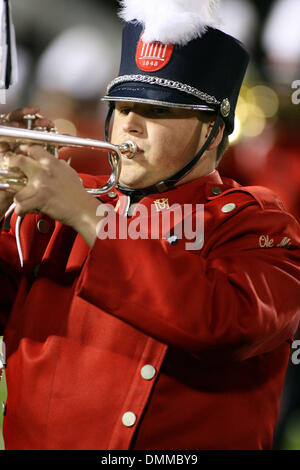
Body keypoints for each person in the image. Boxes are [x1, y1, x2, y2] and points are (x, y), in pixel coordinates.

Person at [0, 0, 300, 450]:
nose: (131, 126)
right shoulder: (51, 212)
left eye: (158, 111)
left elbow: (220, 322)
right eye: (121, 107)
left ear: (212, 132)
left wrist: (86, 214)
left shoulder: (262, 227)